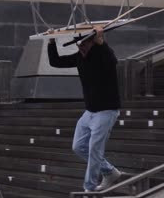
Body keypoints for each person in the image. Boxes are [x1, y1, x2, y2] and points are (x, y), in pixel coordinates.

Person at [47, 26, 121, 192]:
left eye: (85, 44)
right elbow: (56, 62)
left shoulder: (102, 55)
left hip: (107, 110)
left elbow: (112, 61)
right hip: (90, 111)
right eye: (79, 45)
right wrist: (52, 42)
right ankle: (110, 172)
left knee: (95, 149)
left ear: (92, 43)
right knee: (78, 146)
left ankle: (89, 188)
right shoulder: (80, 57)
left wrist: (101, 43)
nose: (81, 48)